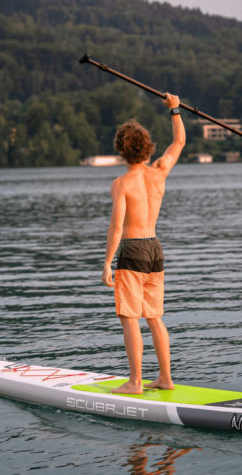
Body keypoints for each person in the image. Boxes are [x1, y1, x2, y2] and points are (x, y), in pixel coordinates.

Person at [102, 93, 186, 395]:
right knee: (154, 317)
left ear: (121, 151)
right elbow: (179, 143)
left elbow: (115, 227)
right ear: (147, 148)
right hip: (154, 249)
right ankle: (165, 378)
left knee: (129, 318)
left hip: (133, 250)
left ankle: (135, 382)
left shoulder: (121, 184)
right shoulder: (159, 173)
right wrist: (175, 110)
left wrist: (107, 263)